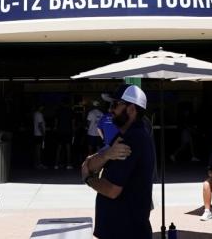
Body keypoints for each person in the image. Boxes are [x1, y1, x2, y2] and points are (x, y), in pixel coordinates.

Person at [81, 85, 155, 239]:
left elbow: (112, 190)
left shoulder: (132, 140)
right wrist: (105, 155)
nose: (110, 110)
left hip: (126, 231)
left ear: (132, 109)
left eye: (115, 105)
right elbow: (89, 164)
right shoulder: (123, 136)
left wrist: (88, 179)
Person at [54, 98, 75, 169]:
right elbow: (73, 122)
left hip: (60, 131)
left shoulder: (59, 111)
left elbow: (56, 121)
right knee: (68, 148)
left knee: (59, 148)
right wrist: (73, 131)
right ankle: (68, 164)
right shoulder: (70, 111)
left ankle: (56, 164)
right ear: (68, 104)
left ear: (62, 103)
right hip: (68, 131)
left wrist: (55, 128)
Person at [32, 105, 47, 169]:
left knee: (36, 149)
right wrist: (43, 133)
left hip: (36, 133)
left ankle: (36, 163)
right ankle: (39, 163)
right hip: (39, 134)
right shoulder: (39, 114)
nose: (43, 108)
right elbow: (40, 125)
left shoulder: (35, 114)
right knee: (39, 150)